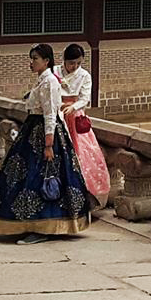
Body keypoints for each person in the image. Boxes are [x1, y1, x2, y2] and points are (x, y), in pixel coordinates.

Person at [0, 43, 93, 240]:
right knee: (22, 176)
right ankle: (28, 223)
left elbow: (51, 114)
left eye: (35, 58)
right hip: (33, 128)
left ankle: (43, 225)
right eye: (32, 58)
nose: (31, 63)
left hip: (44, 132)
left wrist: (49, 144)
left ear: (46, 61)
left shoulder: (50, 82)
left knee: (42, 176)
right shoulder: (42, 80)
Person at [57, 44, 111, 206]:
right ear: (64, 60)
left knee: (83, 153)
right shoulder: (54, 72)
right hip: (57, 112)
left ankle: (86, 193)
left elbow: (84, 98)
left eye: (78, 63)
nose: (74, 67)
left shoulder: (84, 76)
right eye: (72, 63)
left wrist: (72, 108)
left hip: (75, 116)